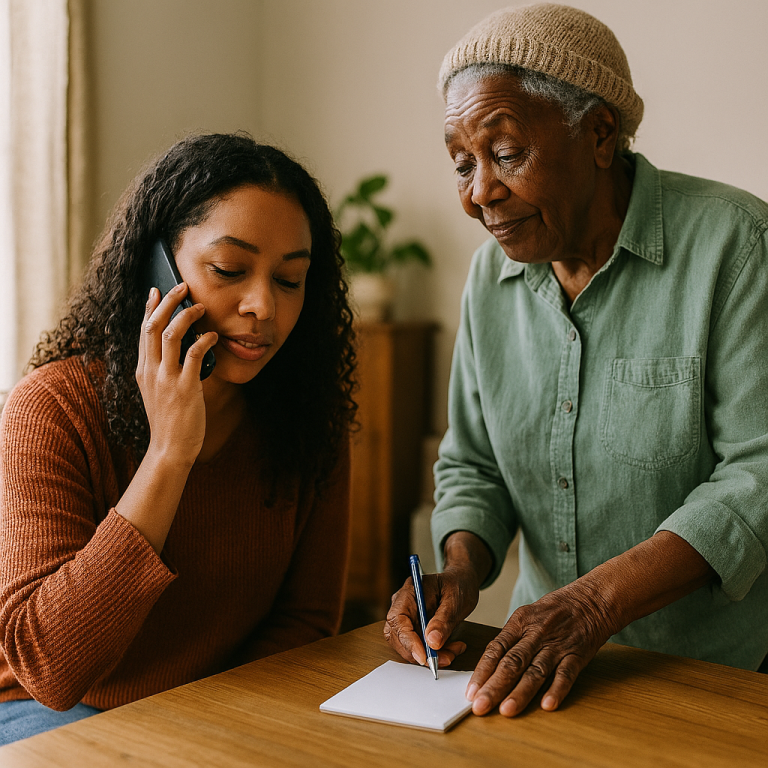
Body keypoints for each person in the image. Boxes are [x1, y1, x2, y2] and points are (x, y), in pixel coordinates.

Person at [385, 3, 768, 719]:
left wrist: (593, 604)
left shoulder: (737, 245)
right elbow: (475, 466)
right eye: (462, 163)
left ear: (599, 135)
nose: (479, 195)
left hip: (714, 677)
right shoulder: (487, 282)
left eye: (506, 153)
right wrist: (461, 571)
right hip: (547, 673)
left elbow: (759, 473)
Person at [0, 133, 356, 744]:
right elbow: (52, 669)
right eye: (228, 271)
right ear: (154, 268)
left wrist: (208, 724)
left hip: (216, 709)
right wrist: (169, 453)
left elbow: (306, 620)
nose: (262, 306)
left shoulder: (307, 415)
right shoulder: (52, 406)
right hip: (51, 713)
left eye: (290, 280)